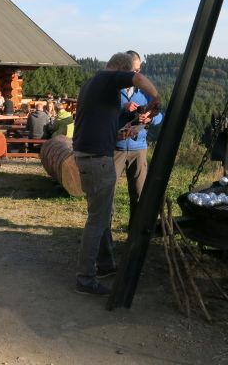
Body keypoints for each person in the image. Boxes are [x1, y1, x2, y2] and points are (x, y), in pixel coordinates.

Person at [73, 52, 160, 296]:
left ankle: (103, 265)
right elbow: (139, 79)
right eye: (130, 72)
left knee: (99, 217)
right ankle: (85, 278)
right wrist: (157, 97)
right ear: (122, 70)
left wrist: (120, 134)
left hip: (92, 156)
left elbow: (97, 124)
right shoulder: (108, 79)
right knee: (98, 220)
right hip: (97, 161)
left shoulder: (93, 82)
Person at [114, 50, 163, 227]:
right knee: (107, 193)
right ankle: (105, 235)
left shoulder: (145, 90)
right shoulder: (112, 88)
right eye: (131, 71)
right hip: (115, 148)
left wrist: (149, 118)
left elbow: (159, 116)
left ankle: (134, 234)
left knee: (139, 194)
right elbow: (101, 115)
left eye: (137, 70)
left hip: (138, 148)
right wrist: (123, 109)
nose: (135, 74)